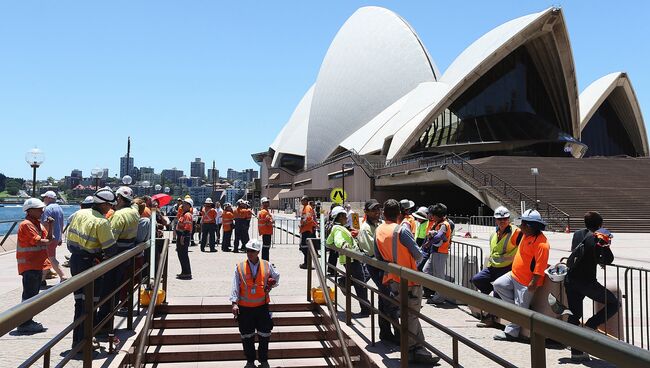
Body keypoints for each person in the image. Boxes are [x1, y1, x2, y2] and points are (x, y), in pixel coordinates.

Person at [374, 199, 438, 364]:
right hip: (409, 279)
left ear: (383, 213)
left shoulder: (379, 230)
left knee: (409, 315)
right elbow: (418, 255)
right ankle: (410, 350)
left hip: (393, 279)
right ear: (399, 213)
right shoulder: (401, 230)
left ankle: (421, 351)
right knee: (411, 316)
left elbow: (378, 256)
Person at [66, 187, 117, 350]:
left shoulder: (79, 214)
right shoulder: (101, 221)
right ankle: (84, 342)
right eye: (110, 205)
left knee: (79, 303)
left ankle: (78, 340)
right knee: (90, 304)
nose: (111, 209)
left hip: (75, 261)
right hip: (90, 264)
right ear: (104, 205)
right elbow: (111, 249)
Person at [565, 211, 618, 362]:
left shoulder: (577, 235)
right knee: (614, 302)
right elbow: (608, 259)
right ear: (600, 225)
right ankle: (590, 325)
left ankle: (576, 352)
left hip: (571, 280)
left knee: (574, 315)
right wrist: (605, 243)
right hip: (587, 283)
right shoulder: (597, 238)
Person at [492, 209, 550, 341]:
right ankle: (521, 309)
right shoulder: (525, 235)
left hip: (526, 281)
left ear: (530, 226)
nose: (520, 226)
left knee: (520, 308)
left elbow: (540, 266)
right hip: (514, 275)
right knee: (498, 285)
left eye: (523, 224)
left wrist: (533, 283)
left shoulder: (542, 244)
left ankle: (511, 333)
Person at [230, 240, 280, 368]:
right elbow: (235, 285)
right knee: (247, 336)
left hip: (262, 307)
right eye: (247, 250)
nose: (249, 253)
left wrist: (272, 283)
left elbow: (276, 276)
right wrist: (234, 303)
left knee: (265, 335)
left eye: (252, 251)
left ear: (258, 252)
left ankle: (263, 360)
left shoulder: (266, 265)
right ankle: (250, 361)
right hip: (245, 309)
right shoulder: (240, 267)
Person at [97, 186, 140, 333]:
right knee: (116, 289)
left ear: (120, 198)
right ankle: (108, 322)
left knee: (107, 291)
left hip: (115, 256)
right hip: (126, 255)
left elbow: (111, 239)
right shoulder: (134, 213)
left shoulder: (119, 215)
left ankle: (104, 326)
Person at [471, 206, 521, 327]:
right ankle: (493, 295)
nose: (502, 221)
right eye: (499, 219)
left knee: (497, 290)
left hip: (507, 268)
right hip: (493, 267)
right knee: (477, 279)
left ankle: (491, 318)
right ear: (495, 220)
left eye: (504, 219)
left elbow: (522, 250)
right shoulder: (494, 233)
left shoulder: (517, 233)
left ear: (509, 219)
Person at [358, 199, 400, 343]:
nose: (377, 212)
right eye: (373, 210)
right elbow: (372, 250)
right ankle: (398, 334)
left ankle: (385, 332)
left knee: (384, 299)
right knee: (389, 299)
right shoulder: (365, 229)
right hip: (376, 266)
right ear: (366, 212)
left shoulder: (380, 225)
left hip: (384, 266)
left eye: (378, 209)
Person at [16, 198, 52, 333]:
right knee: (29, 295)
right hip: (29, 265)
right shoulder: (26, 224)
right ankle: (24, 323)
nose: (42, 211)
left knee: (33, 295)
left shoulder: (37, 224)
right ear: (29, 210)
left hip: (36, 264)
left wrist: (50, 226)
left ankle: (27, 321)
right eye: (38, 209)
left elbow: (49, 238)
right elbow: (41, 241)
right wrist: (47, 240)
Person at [327, 206, 370, 316]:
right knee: (361, 283)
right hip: (351, 259)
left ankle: (344, 281)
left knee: (363, 276)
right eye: (345, 216)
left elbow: (328, 241)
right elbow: (337, 241)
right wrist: (344, 245)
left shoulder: (338, 227)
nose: (347, 217)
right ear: (340, 216)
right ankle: (365, 309)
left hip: (351, 259)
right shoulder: (338, 229)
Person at [423, 203, 452, 305]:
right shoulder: (438, 223)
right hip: (435, 252)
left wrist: (428, 243)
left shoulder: (444, 224)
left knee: (439, 276)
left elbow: (439, 236)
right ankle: (435, 292)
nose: (432, 217)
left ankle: (439, 297)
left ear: (438, 215)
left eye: (433, 215)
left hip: (440, 252)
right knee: (425, 271)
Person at [40, 190, 67, 282]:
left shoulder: (47, 209)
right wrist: (60, 237)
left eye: (45, 197)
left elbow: (45, 223)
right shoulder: (59, 208)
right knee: (46, 257)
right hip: (57, 236)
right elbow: (62, 223)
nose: (43, 199)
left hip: (49, 237)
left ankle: (63, 276)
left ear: (49, 198)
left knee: (51, 258)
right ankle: (42, 279)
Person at [175, 197, 194, 279]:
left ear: (189, 206)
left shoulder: (187, 215)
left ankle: (187, 273)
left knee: (183, 255)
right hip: (181, 236)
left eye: (185, 204)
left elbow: (187, 227)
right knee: (181, 255)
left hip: (183, 237)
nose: (183, 205)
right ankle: (184, 271)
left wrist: (183, 237)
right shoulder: (184, 214)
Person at [298, 196, 318, 269]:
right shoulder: (306, 207)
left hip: (306, 230)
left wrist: (303, 224)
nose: (301, 201)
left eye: (302, 200)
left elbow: (308, 218)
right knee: (304, 247)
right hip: (305, 229)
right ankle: (306, 262)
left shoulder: (307, 207)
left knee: (304, 247)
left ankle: (307, 263)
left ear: (306, 200)